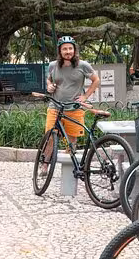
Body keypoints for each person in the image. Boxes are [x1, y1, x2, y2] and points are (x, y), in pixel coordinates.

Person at [40, 36, 100, 173]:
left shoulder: (83, 65)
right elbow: (49, 80)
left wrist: (85, 96)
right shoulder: (52, 66)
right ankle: (45, 164)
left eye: (70, 48)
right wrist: (49, 86)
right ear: (60, 51)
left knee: (71, 140)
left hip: (74, 108)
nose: (68, 51)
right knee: (50, 136)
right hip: (55, 107)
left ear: (74, 49)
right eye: (65, 49)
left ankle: (69, 166)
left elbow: (96, 80)